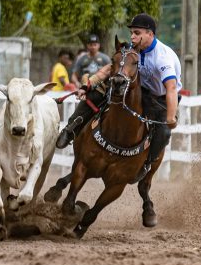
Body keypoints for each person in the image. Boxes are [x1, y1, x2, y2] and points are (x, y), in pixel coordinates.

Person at [56, 13, 181, 183]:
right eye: (132, 33)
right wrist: (88, 85)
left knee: (164, 132)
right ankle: (70, 129)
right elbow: (109, 69)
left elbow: (171, 88)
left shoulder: (163, 58)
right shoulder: (132, 48)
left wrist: (170, 116)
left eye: (137, 33)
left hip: (159, 98)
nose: (132, 36)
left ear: (150, 34)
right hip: (138, 89)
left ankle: (147, 163)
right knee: (96, 94)